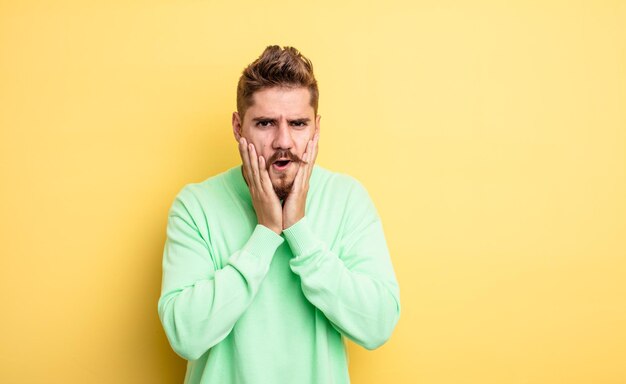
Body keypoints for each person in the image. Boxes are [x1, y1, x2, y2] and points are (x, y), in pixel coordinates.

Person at [158, 45, 400, 384]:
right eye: (266, 123)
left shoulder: (348, 199)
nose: (283, 141)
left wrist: (299, 231)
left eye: (298, 123)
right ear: (238, 128)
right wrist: (266, 232)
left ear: (315, 129)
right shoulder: (196, 206)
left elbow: (377, 325)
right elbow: (186, 335)